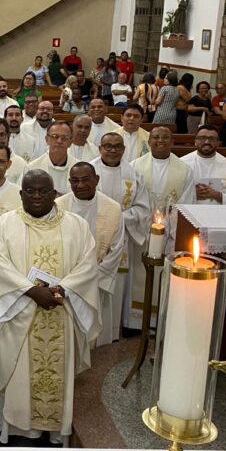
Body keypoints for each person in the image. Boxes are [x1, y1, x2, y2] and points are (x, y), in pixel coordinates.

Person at [0, 170, 100, 446]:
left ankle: (54, 431)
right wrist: (32, 291)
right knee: (17, 376)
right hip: (19, 313)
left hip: (61, 310)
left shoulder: (76, 225)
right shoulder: (5, 224)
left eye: (43, 191)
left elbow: (87, 264)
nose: (37, 196)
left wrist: (62, 290)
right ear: (21, 194)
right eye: (30, 191)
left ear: (55, 194)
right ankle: (18, 430)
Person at [56, 163, 124, 347]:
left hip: (97, 281)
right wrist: (71, 280)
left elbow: (116, 249)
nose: (80, 185)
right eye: (75, 181)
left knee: (95, 340)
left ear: (96, 180)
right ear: (69, 182)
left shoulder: (112, 208)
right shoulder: (58, 206)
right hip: (66, 280)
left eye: (86, 180)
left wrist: (91, 278)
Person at [91, 133, 150, 336]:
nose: (112, 150)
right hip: (93, 237)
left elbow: (143, 210)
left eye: (117, 146)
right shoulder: (89, 170)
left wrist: (117, 218)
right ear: (100, 148)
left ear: (123, 150)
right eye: (107, 146)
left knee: (116, 287)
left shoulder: (133, 175)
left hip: (121, 239)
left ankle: (112, 332)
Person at [181, 125, 226, 203]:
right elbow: (171, 194)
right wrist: (192, 195)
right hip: (188, 211)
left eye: (212, 139)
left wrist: (218, 195)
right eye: (202, 138)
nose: (207, 142)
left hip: (221, 213)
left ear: (218, 143)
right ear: (195, 141)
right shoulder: (182, 164)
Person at [26, 121, 78, 196]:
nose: (59, 141)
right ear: (47, 139)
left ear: (70, 142)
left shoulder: (78, 168)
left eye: (64, 138)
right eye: (54, 136)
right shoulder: (32, 168)